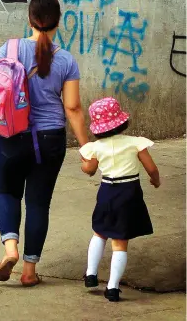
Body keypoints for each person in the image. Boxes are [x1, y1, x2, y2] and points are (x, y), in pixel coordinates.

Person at [0, 0, 89, 286]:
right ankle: (29, 271)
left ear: (29, 19)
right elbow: (72, 108)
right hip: (50, 139)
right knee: (38, 203)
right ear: (58, 23)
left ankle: (10, 249)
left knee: (7, 193)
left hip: (12, 136)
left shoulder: (8, 49)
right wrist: (87, 148)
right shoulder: (66, 60)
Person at [80, 97, 160, 302]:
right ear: (122, 121)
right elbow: (151, 168)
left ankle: (90, 274)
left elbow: (89, 170)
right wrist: (155, 180)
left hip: (107, 191)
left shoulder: (96, 147)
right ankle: (113, 288)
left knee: (99, 232)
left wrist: (85, 164)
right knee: (120, 242)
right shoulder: (136, 143)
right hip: (129, 193)